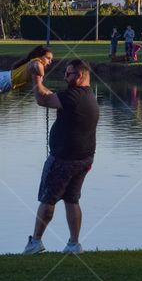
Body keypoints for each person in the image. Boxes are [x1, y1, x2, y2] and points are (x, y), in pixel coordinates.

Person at [23, 59, 99, 255]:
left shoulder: (73, 96)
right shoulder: (88, 95)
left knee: (48, 199)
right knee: (72, 199)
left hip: (64, 159)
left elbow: (42, 99)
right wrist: (42, 86)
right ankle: (74, 244)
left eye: (69, 74)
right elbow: (53, 96)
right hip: (84, 159)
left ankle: (36, 242)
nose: (65, 77)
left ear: (79, 76)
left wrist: (36, 77)